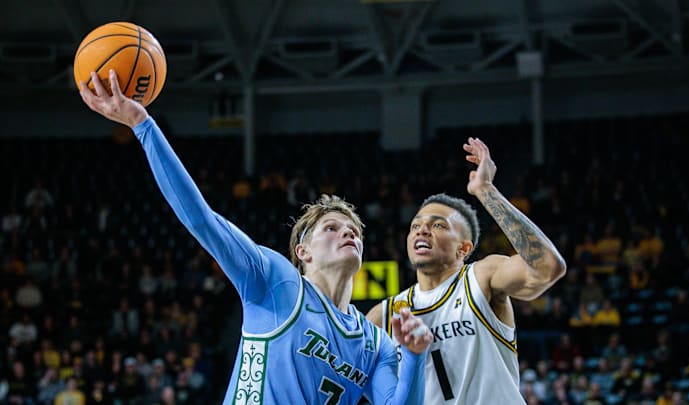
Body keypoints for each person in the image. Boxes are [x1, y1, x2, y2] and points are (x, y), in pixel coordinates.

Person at [79, 69, 433, 405]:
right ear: (303, 251)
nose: (348, 232)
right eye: (332, 227)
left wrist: (415, 357)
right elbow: (203, 220)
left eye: (354, 230)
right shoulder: (276, 281)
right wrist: (144, 126)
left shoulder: (377, 343)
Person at [368, 137, 566, 403]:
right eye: (415, 226)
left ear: (464, 249)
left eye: (438, 225)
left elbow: (548, 268)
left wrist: (485, 190)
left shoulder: (482, 277)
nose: (422, 230)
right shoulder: (385, 315)